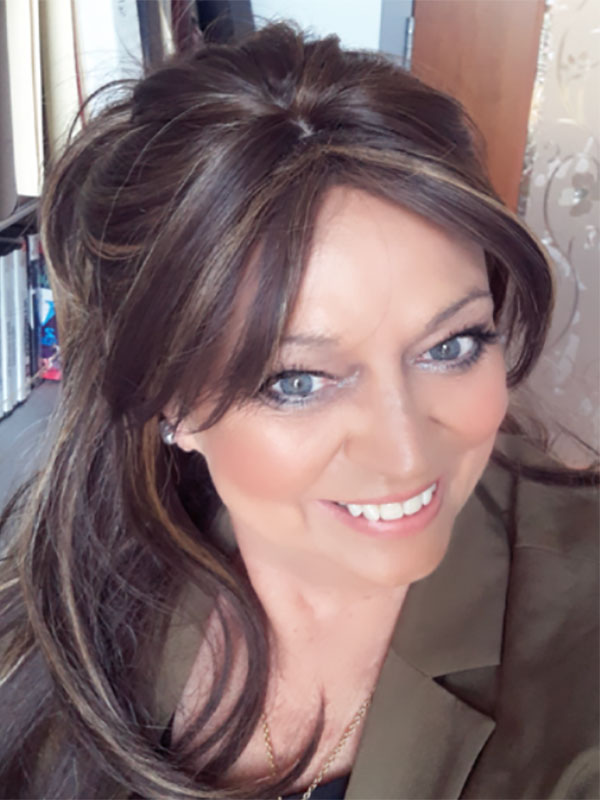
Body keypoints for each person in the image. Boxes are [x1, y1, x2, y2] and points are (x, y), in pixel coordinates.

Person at [0, 22, 598, 800]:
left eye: (451, 346)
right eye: (297, 382)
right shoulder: (57, 603)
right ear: (169, 400)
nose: (406, 453)